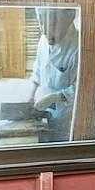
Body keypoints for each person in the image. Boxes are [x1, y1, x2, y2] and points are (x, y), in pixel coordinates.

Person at [24, 8, 80, 142]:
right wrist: (31, 96)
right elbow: (37, 71)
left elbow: (81, 88)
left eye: (53, 25)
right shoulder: (43, 40)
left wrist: (55, 97)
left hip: (65, 115)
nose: (46, 32)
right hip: (42, 107)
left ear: (69, 19)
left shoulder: (78, 47)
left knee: (59, 143)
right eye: (42, 23)